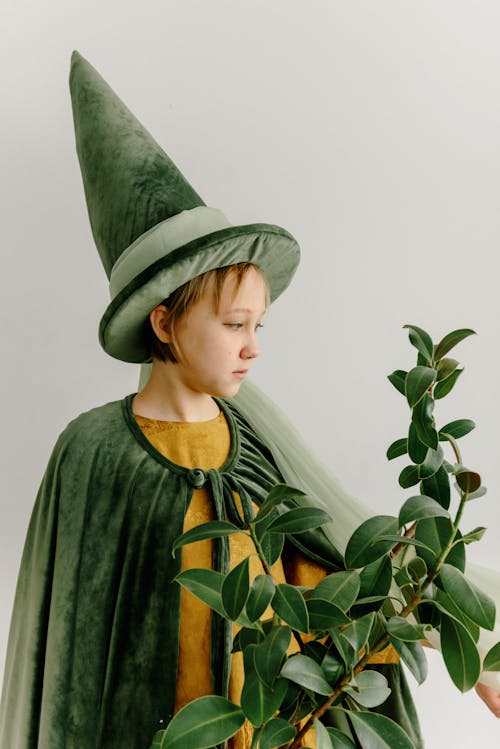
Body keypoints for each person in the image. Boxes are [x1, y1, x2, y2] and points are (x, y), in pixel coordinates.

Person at [0, 51, 498, 749]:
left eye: (257, 325)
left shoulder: (254, 443)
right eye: (234, 324)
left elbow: (321, 573)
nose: (252, 346)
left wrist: (461, 641)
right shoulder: (93, 452)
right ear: (165, 322)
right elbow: (70, 655)